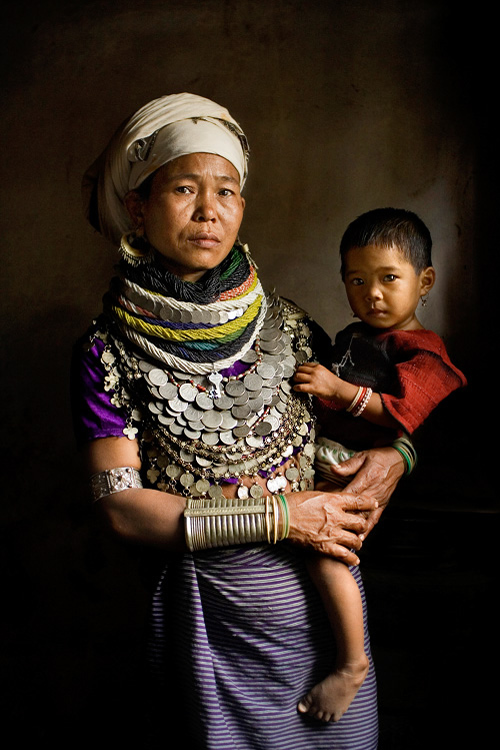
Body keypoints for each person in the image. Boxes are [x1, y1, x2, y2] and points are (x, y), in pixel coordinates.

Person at [71, 94, 409, 750]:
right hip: (213, 633)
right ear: (138, 208)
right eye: (184, 189)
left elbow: (372, 424)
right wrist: (283, 517)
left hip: (326, 627)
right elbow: (120, 510)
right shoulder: (105, 351)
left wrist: (400, 458)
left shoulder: (287, 323)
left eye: (225, 190)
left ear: (242, 209)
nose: (208, 210)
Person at [293, 207, 467, 722]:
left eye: (389, 278)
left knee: (328, 551)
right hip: (328, 455)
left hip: (361, 473)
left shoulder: (426, 355)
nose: (372, 293)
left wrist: (336, 389)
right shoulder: (356, 338)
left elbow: (404, 414)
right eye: (357, 279)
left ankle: (352, 663)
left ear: (424, 280)